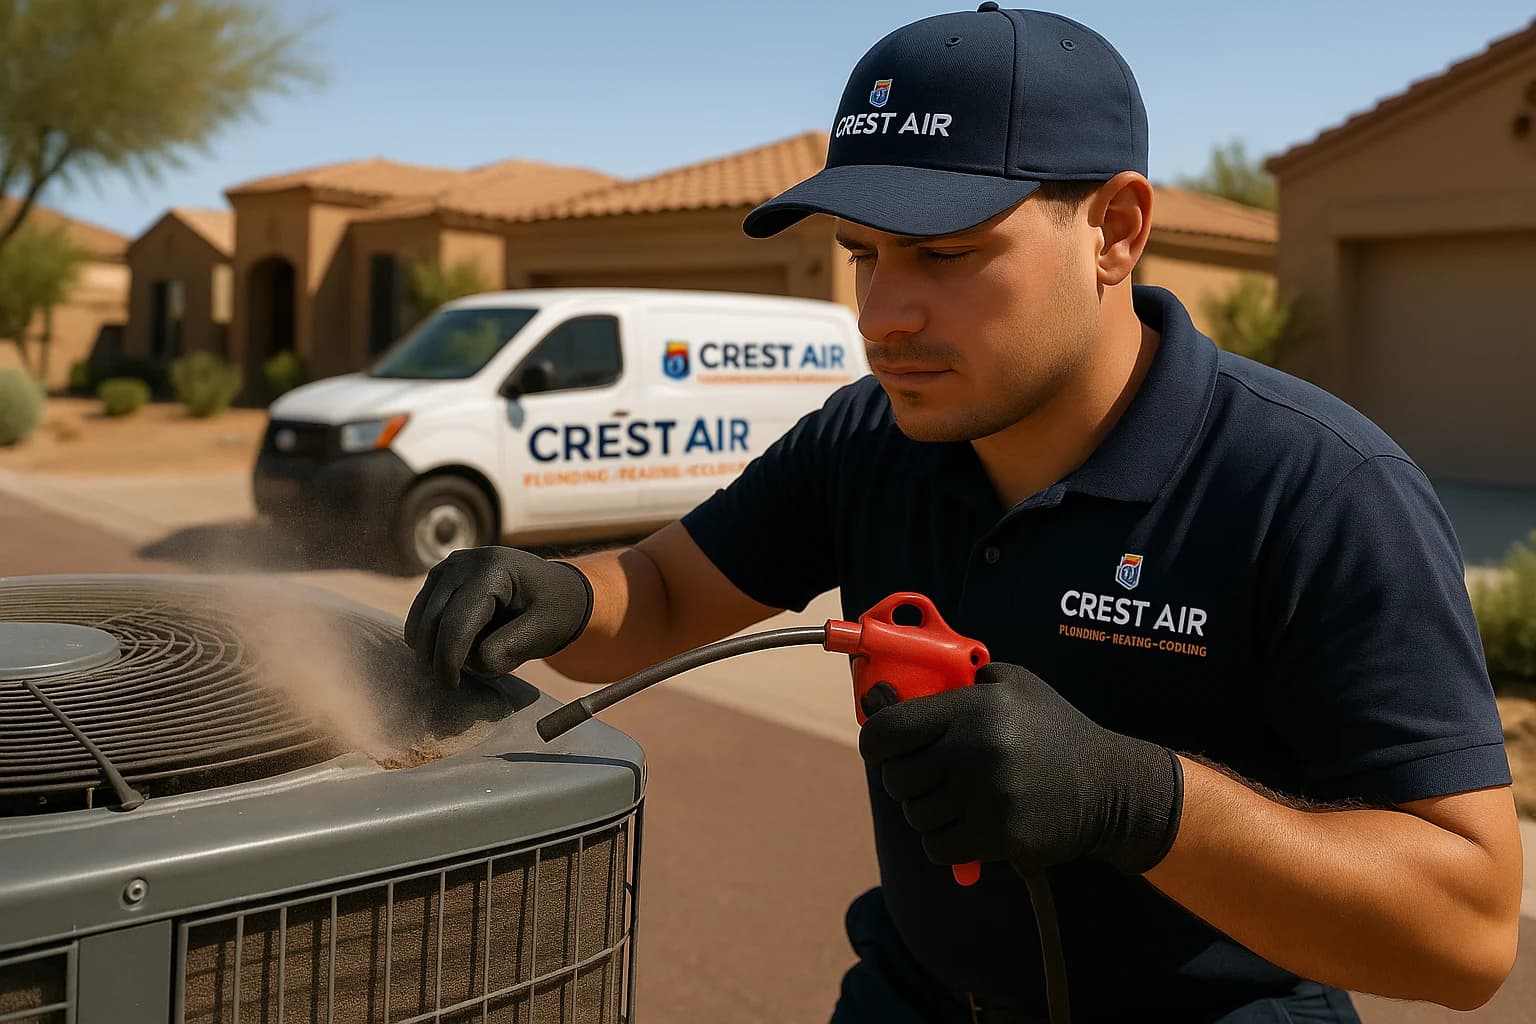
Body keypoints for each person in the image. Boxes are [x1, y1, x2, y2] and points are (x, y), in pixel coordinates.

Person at [405, 6, 1524, 1022]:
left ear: (1115, 229)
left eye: (946, 253)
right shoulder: (870, 437)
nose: (883, 316)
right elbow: (664, 593)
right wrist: (554, 589)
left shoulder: (1316, 489)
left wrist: (1135, 800)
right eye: (862, 255)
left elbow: (1467, 934)